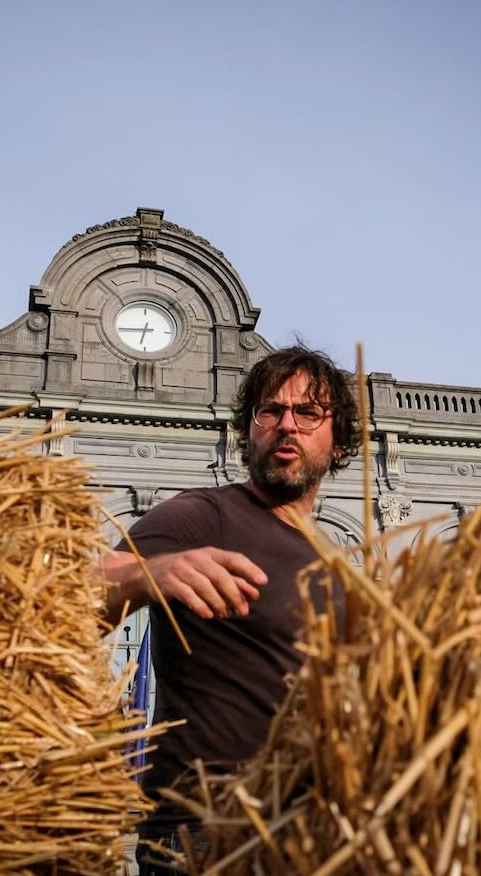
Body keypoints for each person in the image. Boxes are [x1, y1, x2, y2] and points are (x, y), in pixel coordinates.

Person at [100, 346, 359, 874]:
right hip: (202, 831)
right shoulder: (205, 515)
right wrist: (153, 573)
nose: (287, 425)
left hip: (309, 837)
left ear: (338, 443)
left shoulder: (337, 571)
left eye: (307, 413)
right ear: (250, 430)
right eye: (271, 411)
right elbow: (78, 593)